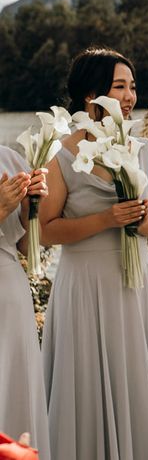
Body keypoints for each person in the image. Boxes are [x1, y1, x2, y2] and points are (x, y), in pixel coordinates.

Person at [40, 47, 148, 460]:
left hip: (135, 281)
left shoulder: (143, 150)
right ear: (91, 95)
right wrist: (106, 220)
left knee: (137, 378)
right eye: (119, 86)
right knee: (84, 380)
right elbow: (47, 231)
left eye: (132, 86)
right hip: (84, 285)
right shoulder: (62, 155)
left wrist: (136, 222)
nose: (129, 95)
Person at [0, 150, 50, 460]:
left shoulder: (8, 159)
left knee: (15, 391)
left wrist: (34, 207)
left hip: (8, 294)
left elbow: (27, 245)